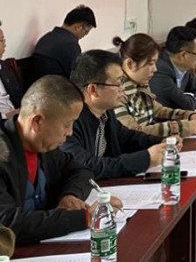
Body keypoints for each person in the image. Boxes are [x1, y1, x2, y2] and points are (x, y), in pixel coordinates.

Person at [0, 75, 117, 244]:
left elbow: (81, 171)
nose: (69, 132)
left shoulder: (45, 147)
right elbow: (7, 223)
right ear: (37, 122)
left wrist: (70, 194)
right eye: (67, 124)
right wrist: (83, 218)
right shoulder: (3, 153)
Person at [61, 50, 165, 179]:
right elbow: (86, 166)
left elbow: (126, 137)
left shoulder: (106, 112)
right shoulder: (69, 121)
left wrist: (161, 142)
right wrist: (146, 159)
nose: (123, 88)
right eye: (118, 83)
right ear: (93, 90)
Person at [113, 34, 196, 138]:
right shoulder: (117, 92)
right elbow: (133, 133)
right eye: (151, 64)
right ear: (130, 64)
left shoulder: (140, 84)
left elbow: (158, 110)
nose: (155, 69)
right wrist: (181, 127)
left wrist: (189, 115)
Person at [29, 5, 96, 83]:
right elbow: (78, 77)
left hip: (41, 86)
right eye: (86, 31)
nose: (85, 35)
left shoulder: (46, 38)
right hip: (59, 87)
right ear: (78, 27)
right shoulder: (69, 44)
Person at [150, 26, 196, 110]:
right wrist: (191, 98)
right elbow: (187, 105)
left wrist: (192, 98)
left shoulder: (183, 68)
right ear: (183, 55)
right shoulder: (160, 70)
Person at [0, 21, 24, 118]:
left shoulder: (4, 66)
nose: (5, 45)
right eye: (2, 40)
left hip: (18, 117)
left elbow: (18, 94)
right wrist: (6, 116)